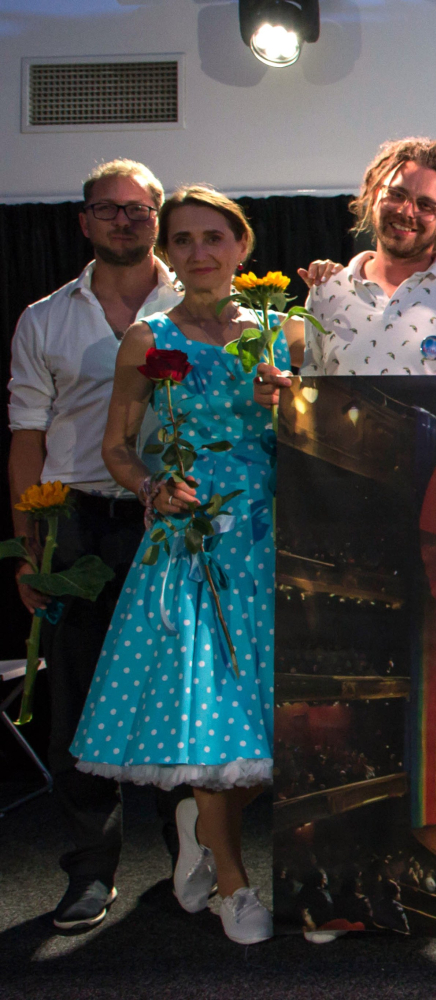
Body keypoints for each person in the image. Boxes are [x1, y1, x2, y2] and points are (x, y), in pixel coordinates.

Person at [67, 185, 295, 945]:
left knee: (279, 732)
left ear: (242, 247)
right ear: (168, 251)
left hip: (272, 541)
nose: (200, 252)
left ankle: (200, 825)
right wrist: (151, 489)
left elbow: (327, 439)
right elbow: (116, 447)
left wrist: (292, 407)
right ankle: (234, 883)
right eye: (184, 240)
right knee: (211, 722)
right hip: (192, 546)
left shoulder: (285, 333)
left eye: (214, 238)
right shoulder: (149, 338)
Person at [7, 158, 186, 932]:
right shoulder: (44, 319)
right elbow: (26, 438)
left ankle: (193, 863)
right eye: (108, 208)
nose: (124, 219)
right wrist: (28, 548)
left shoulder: (199, 303)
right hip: (77, 520)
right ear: (83, 221)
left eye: (138, 208)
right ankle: (90, 871)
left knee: (179, 697)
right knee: (76, 703)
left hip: (173, 520)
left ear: (157, 219)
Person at [251, 137, 436, 407]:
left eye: (426, 205)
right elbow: (316, 399)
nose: (407, 211)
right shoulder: (328, 290)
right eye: (396, 195)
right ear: (374, 197)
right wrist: (282, 395)